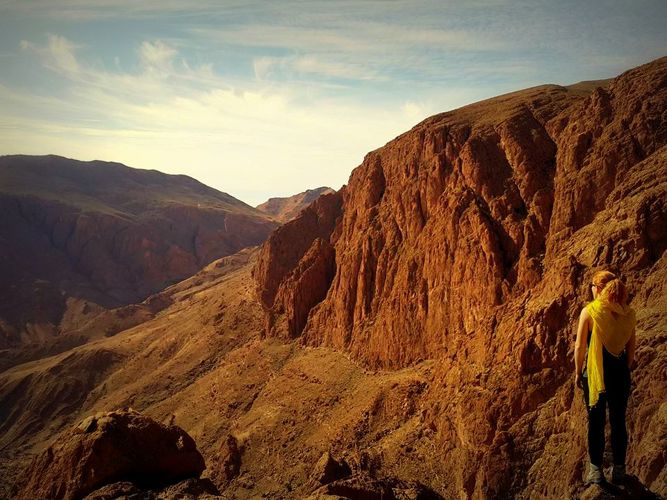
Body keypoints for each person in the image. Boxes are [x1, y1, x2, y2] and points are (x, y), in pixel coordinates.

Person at [574, 270, 636, 485]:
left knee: (596, 422)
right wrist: (623, 369)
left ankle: (596, 471)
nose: (591, 289)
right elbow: (631, 348)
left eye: (592, 285)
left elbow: (580, 346)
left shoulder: (589, 312)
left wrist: (577, 372)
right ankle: (619, 470)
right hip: (620, 373)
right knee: (619, 421)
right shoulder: (629, 313)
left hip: (595, 375)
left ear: (599, 289)